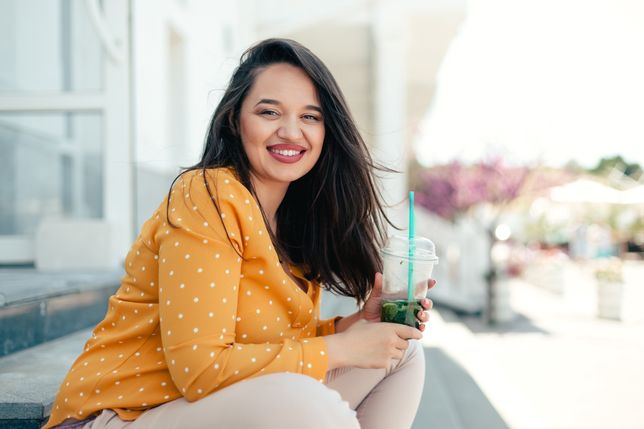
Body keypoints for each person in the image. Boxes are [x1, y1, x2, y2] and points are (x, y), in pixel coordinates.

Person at [43, 38, 434, 429]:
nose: (290, 131)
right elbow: (200, 370)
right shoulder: (206, 195)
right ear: (235, 119)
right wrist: (341, 348)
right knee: (305, 401)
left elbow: (269, 342)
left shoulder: (292, 220)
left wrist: (352, 328)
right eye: (269, 112)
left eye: (310, 117)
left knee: (402, 355)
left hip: (210, 408)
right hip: (123, 415)